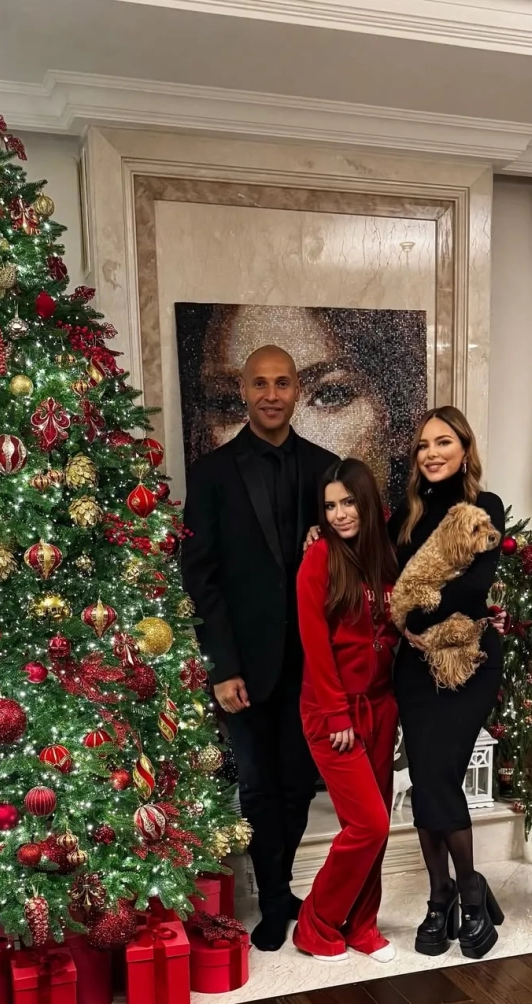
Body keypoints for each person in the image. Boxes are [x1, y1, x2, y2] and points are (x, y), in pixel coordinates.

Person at [181, 344, 337, 951]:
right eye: (259, 384)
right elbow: (201, 577)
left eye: (282, 383)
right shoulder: (211, 473)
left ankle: (279, 885)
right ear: (243, 391)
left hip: (310, 664)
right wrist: (221, 667)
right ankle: (273, 899)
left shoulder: (327, 469)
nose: (271, 395)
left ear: (297, 390)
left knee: (297, 785)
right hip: (242, 668)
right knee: (257, 788)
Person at [388, 406, 505, 960]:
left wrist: (414, 617)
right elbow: (377, 567)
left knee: (437, 776)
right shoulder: (405, 516)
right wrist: (320, 529)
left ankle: (467, 893)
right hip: (415, 669)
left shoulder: (485, 508)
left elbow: (476, 586)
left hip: (468, 660)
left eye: (443, 443)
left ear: (464, 449)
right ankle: (444, 895)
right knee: (428, 777)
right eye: (423, 445)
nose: (431, 453)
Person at [293, 459, 400, 963]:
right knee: (369, 824)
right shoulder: (319, 558)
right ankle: (316, 923)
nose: (339, 514)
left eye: (348, 502)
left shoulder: (386, 557)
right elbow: (315, 645)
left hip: (381, 707)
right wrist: (336, 714)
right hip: (331, 712)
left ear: (367, 502)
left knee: (378, 827)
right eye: (330, 506)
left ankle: (362, 926)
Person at [176, 304, 427, 512]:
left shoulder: (325, 463)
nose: (272, 399)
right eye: (229, 404)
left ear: (396, 426)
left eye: (330, 395)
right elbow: (199, 557)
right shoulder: (209, 473)